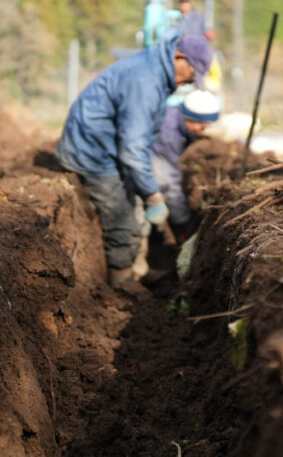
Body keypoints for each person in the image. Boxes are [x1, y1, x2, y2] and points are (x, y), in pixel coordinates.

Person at [54, 32, 213, 286]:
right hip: (92, 151)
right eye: (192, 75)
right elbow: (132, 147)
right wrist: (153, 194)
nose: (188, 83)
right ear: (180, 58)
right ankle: (122, 288)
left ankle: (138, 270)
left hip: (106, 144)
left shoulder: (155, 70)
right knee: (123, 221)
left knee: (135, 206)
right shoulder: (146, 81)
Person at [151, 89, 221, 242]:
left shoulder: (175, 116)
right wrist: (183, 221)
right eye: (201, 127)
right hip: (126, 170)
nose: (203, 132)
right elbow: (167, 181)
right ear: (189, 118)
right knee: (137, 223)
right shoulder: (168, 135)